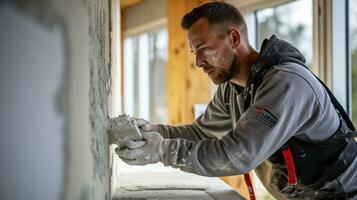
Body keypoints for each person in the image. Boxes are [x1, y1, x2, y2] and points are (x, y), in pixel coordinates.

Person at [109, 2, 357, 199]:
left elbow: (238, 154)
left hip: (342, 194)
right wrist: (154, 132)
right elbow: (201, 132)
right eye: (194, 52)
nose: (198, 62)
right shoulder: (233, 88)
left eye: (205, 48)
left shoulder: (286, 83)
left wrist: (163, 151)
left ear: (234, 39)